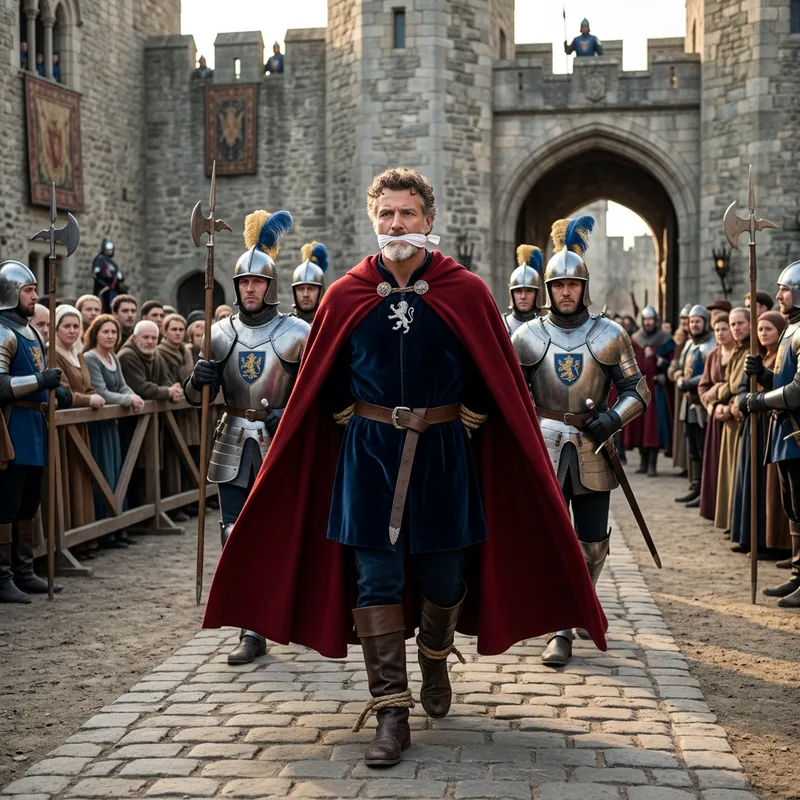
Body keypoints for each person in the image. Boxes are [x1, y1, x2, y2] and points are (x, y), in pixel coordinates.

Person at [202, 169, 607, 768]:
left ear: (428, 221)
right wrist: (354, 420)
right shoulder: (345, 294)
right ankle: (391, 711)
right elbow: (323, 378)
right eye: (387, 214)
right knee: (376, 582)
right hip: (367, 459)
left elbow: (490, 374)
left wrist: (463, 420)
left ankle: (437, 655)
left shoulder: (464, 291)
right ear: (374, 220)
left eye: (408, 214)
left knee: (445, 581)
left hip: (444, 454)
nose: (397, 225)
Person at [513, 216, 648, 668]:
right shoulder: (527, 336)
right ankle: (562, 625)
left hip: (593, 446)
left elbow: (638, 389)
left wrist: (611, 418)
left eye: (573, 284)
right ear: (548, 289)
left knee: (592, 543)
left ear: (583, 286)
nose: (565, 292)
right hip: (544, 441)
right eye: (559, 285)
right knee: (554, 540)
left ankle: (582, 602)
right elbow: (510, 394)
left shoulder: (608, 334)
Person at [185, 209, 309, 665]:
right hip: (232, 438)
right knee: (234, 534)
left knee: (284, 532)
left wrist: (287, 417)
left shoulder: (298, 333)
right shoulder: (219, 335)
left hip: (280, 442)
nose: (250, 288)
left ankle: (292, 614)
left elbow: (314, 392)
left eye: (258, 282)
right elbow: (193, 397)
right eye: (243, 283)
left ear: (271, 286)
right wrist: (196, 381)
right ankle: (250, 628)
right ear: (236, 287)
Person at [0, 261, 72, 603]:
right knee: (7, 503)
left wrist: (56, 391)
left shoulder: (29, 331)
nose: (34, 296)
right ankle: (2, 577)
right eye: (28, 291)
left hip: (35, 426)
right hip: (11, 426)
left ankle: (25, 571)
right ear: (11, 293)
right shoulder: (2, 331)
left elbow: (41, 375)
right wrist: (40, 382)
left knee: (29, 502)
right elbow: (0, 384)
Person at [740, 262, 800, 606]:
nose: (779, 295)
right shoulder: (792, 330)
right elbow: (782, 382)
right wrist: (762, 374)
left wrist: (758, 399)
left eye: (785, 289)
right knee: (793, 506)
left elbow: (797, 391)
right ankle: (797, 574)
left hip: (796, 429)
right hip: (786, 432)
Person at [84, 315, 144, 546]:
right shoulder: (91, 358)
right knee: (104, 474)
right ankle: (105, 532)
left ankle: (119, 528)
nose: (110, 336)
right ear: (95, 333)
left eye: (114, 333)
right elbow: (101, 392)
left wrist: (132, 395)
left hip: (112, 424)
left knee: (118, 474)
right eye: (105, 332)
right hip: (98, 425)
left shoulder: (113, 358)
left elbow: (120, 385)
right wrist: (128, 399)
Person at [731, 310, 788, 554]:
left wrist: (759, 397)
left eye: (769, 329)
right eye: (761, 329)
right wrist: (745, 400)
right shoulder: (757, 357)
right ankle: (749, 537)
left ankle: (770, 541)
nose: (763, 333)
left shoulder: (784, 357)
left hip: (773, 425)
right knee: (750, 482)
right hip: (754, 427)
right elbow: (743, 391)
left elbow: (785, 388)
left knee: (769, 486)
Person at [51, 304, 104, 535]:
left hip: (80, 425)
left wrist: (93, 396)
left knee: (82, 478)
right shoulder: (52, 354)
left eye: (76, 326)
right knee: (68, 480)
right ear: (57, 329)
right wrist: (88, 400)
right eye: (67, 326)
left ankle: (84, 536)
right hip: (63, 427)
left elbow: (88, 386)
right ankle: (70, 535)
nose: (72, 331)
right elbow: (62, 394)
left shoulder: (78, 354)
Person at [119, 320, 182, 507]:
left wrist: (172, 390)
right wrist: (167, 392)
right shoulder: (127, 356)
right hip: (131, 422)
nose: (150, 342)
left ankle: (148, 510)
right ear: (134, 337)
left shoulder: (156, 356)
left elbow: (167, 380)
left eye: (153, 338)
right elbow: (141, 387)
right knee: (132, 468)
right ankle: (133, 513)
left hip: (150, 423)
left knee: (148, 466)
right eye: (145, 337)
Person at [158, 313, 200, 518]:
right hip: (173, 413)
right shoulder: (162, 353)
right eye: (173, 329)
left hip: (188, 412)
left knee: (190, 455)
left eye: (180, 329)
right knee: (174, 457)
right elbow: (167, 381)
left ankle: (189, 499)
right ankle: (175, 505)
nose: (177, 333)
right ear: (164, 332)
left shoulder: (186, 351)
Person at [713, 307, 749, 532]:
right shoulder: (737, 350)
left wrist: (721, 394)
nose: (736, 328)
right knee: (729, 473)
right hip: (730, 416)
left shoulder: (749, 350)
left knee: (739, 473)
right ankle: (732, 522)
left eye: (739, 324)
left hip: (741, 418)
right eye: (732, 324)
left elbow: (736, 386)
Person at [626, 306, 674, 476]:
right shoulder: (635, 339)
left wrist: (658, 361)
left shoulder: (665, 340)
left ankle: (652, 464)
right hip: (639, 389)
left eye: (651, 320)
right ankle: (643, 462)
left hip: (656, 389)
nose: (648, 323)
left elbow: (672, 365)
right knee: (639, 426)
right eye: (645, 320)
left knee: (653, 428)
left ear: (656, 320)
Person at [674, 305, 715, 504]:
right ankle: (696, 486)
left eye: (698, 321)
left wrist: (688, 382)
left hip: (702, 403)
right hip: (688, 403)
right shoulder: (690, 344)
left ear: (706, 322)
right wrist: (678, 375)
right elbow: (682, 367)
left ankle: (705, 491)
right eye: (692, 321)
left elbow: (710, 374)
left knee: (703, 447)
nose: (694, 324)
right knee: (694, 449)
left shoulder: (711, 344)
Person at [697, 314, 734, 521]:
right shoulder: (713, 355)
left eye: (724, 329)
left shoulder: (740, 353)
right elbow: (703, 386)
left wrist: (719, 392)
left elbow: (735, 386)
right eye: (717, 330)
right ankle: (716, 509)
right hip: (715, 417)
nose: (720, 333)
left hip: (733, 417)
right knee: (715, 466)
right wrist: (711, 406)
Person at [669, 304, 693, 473]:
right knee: (682, 428)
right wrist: (675, 372)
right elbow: (674, 365)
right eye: (683, 319)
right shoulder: (680, 340)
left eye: (688, 319)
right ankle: (685, 465)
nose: (685, 322)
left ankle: (691, 469)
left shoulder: (694, 339)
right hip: (681, 387)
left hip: (691, 388)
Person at [504, 245, 542, 336]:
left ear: (537, 294)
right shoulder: (501, 325)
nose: (523, 296)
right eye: (518, 291)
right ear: (512, 293)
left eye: (529, 291)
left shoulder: (544, 327)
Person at [291, 242, 329, 323]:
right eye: (300, 289)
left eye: (311, 289)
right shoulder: (284, 327)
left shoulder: (332, 324)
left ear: (321, 291)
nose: (305, 294)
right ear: (294, 291)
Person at [91, 238, 126, 303]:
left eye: (111, 249)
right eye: (108, 249)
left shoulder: (113, 263)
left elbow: (120, 277)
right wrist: (104, 286)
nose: (110, 251)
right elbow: (95, 274)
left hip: (114, 291)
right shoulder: (100, 259)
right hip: (103, 290)